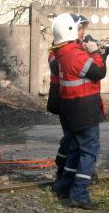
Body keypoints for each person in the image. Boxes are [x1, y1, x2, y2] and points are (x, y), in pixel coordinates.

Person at [51, 13, 109, 210]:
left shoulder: (61, 51)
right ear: (70, 30)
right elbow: (98, 72)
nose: (83, 32)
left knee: (76, 150)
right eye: (80, 28)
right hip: (84, 110)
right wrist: (97, 53)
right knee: (89, 153)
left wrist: (93, 49)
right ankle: (79, 194)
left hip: (71, 109)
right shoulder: (75, 54)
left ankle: (65, 186)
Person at [47, 14, 90, 191]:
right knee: (71, 139)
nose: (82, 33)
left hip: (74, 99)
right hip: (64, 99)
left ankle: (68, 175)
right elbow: (56, 65)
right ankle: (62, 172)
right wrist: (86, 52)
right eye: (80, 29)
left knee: (73, 139)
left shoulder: (76, 47)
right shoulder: (58, 50)